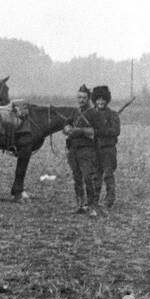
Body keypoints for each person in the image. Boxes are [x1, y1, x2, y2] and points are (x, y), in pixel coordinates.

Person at [63, 84, 97, 214]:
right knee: (77, 177)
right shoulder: (75, 111)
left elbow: (96, 130)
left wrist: (80, 131)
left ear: (88, 98)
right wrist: (66, 128)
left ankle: (92, 206)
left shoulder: (94, 113)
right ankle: (80, 204)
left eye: (84, 97)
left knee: (88, 177)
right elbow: (66, 123)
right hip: (73, 149)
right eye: (79, 97)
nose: (81, 100)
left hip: (87, 150)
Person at [90, 85, 120, 210]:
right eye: (98, 99)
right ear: (94, 100)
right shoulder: (90, 114)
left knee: (108, 174)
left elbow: (115, 131)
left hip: (108, 150)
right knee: (96, 175)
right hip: (94, 149)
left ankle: (109, 199)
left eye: (103, 99)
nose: (100, 102)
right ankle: (94, 199)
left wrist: (97, 131)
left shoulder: (112, 114)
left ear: (107, 100)